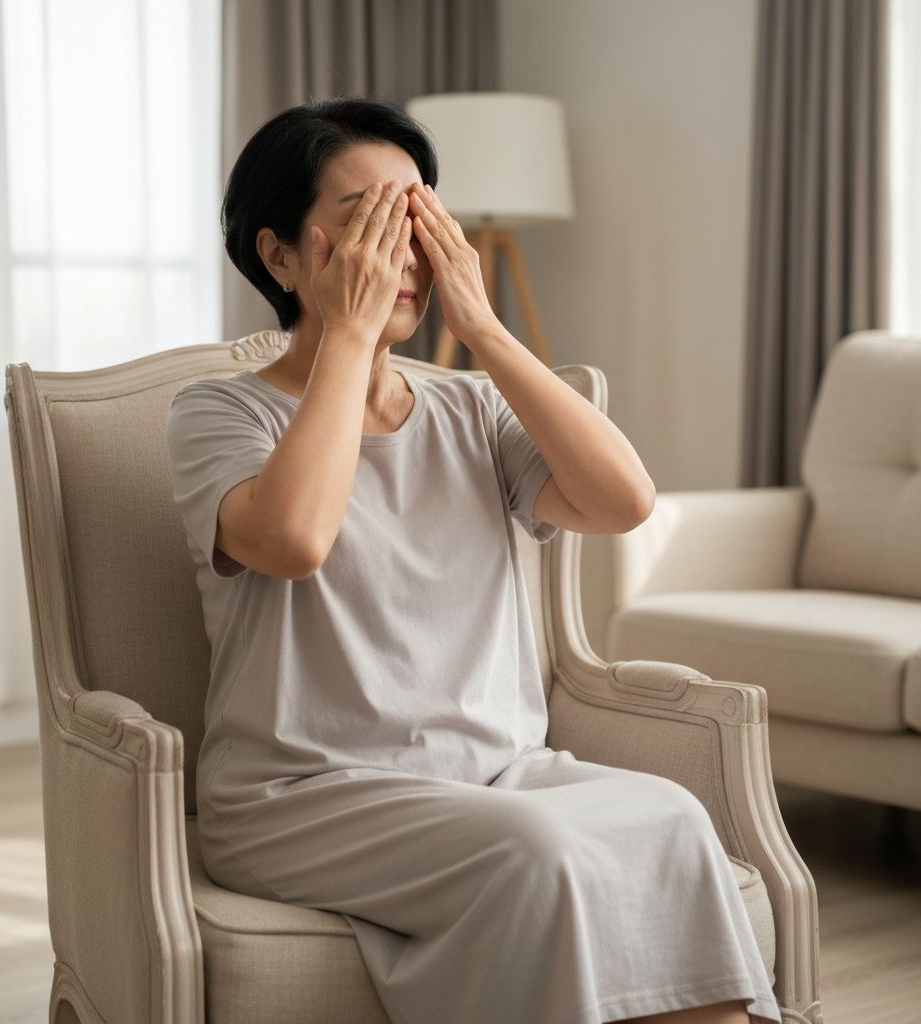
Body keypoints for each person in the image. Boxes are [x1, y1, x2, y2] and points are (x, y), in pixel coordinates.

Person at [165, 96, 782, 1024]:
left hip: (497, 774)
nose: (398, 251)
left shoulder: (471, 411)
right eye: (363, 220)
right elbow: (294, 541)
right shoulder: (220, 415)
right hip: (302, 795)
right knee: (541, 853)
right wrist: (348, 337)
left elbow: (625, 503)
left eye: (415, 217)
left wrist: (485, 331)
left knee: (675, 822)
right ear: (280, 255)